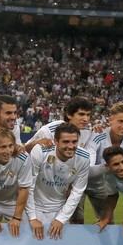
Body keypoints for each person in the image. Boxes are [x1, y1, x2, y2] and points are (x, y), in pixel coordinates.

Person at [25, 96, 94, 224]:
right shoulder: (48, 131)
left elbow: (81, 159)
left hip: (65, 188)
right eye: (81, 114)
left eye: (88, 115)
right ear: (69, 114)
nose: (86, 119)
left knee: (75, 223)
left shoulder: (87, 132)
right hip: (41, 192)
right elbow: (25, 152)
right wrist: (35, 142)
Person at [26, 123, 89, 240]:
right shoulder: (40, 151)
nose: (70, 146)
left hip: (59, 210)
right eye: (65, 142)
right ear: (55, 141)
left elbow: (77, 192)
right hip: (33, 207)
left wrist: (61, 219)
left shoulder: (84, 158)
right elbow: (28, 186)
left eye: (74, 142)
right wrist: (32, 217)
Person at [85, 103, 123, 223]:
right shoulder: (97, 134)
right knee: (73, 222)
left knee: (107, 224)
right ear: (110, 120)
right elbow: (86, 170)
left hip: (104, 189)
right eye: (120, 121)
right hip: (82, 182)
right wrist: (109, 167)